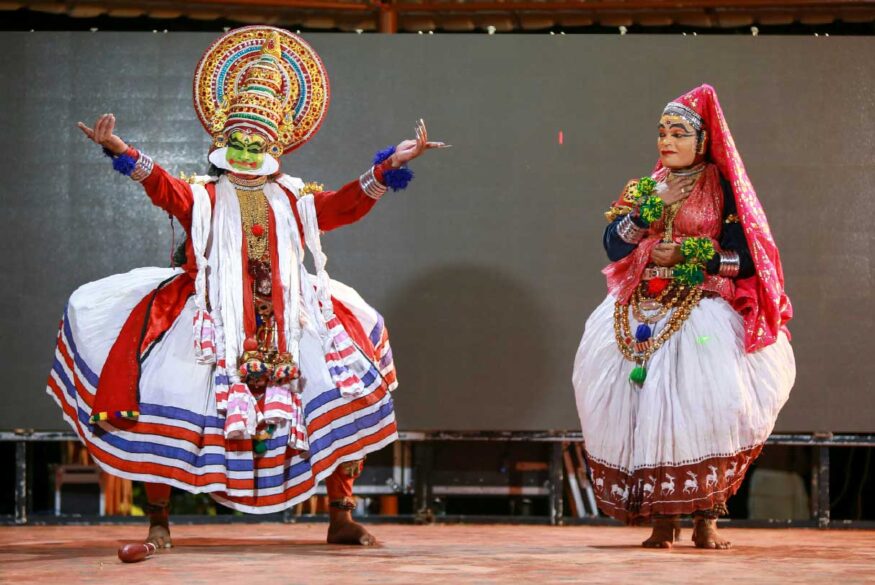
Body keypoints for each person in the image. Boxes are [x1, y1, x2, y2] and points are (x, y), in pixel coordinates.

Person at [46, 25, 444, 548]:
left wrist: (390, 165)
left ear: (275, 142)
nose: (248, 148)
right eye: (239, 139)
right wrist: (122, 152)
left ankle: (341, 515)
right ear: (223, 139)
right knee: (164, 392)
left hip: (289, 316)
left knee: (346, 391)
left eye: (258, 141)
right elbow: (164, 189)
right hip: (213, 314)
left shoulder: (295, 198)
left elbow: (346, 204)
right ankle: (159, 520)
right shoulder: (204, 196)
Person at [572, 84, 795, 549]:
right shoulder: (643, 188)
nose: (666, 141)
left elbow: (748, 260)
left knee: (707, 409)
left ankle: (706, 520)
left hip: (703, 318)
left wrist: (699, 256)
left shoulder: (723, 189)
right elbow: (614, 245)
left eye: (677, 132)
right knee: (640, 409)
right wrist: (647, 226)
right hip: (641, 311)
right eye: (661, 133)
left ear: (702, 141)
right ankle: (661, 522)